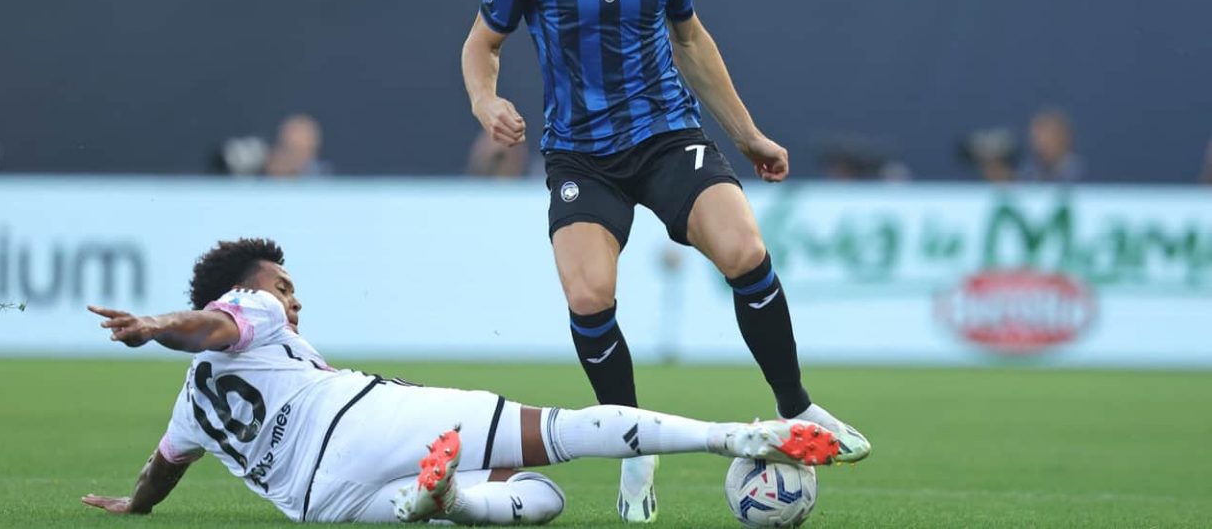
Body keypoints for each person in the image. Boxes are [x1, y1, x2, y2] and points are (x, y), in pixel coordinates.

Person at [459, 0, 870, 521]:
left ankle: (799, 407)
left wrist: (747, 135)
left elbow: (691, 39)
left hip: (666, 135)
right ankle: (633, 443)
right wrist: (485, 99)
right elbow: (481, 43)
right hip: (582, 154)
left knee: (745, 248)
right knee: (589, 294)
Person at [80, 238, 841, 525]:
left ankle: (446, 501)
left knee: (538, 502)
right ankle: (729, 436)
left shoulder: (191, 404)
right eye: (284, 283)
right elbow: (214, 327)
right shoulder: (249, 309)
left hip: (320, 503)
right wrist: (156, 325)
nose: (292, 296)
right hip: (360, 423)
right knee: (564, 431)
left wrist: (132, 506)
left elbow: (162, 468)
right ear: (250, 288)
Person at [1018, 107, 1084, 183]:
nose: (1041, 144)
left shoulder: (1083, 175)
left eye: (1048, 137)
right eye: (1037, 138)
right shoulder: (1026, 176)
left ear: (1063, 138)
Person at [264, 114, 331, 177]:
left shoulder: (324, 179)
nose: (296, 158)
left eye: (302, 151)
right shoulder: (260, 176)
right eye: (291, 150)